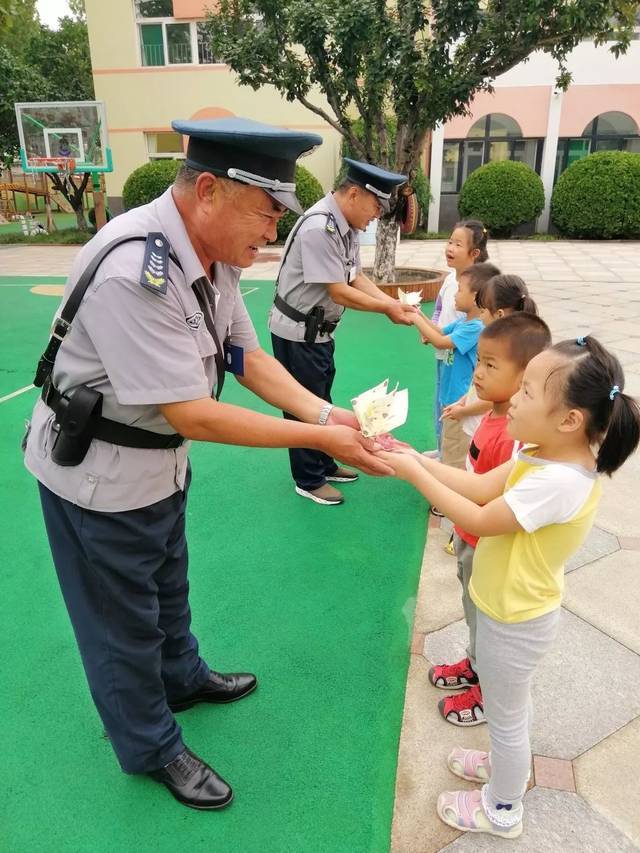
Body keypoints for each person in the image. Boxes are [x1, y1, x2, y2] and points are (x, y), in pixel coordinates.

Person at [23, 117, 394, 811]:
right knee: (121, 621)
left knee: (167, 580)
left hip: (155, 465)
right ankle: (151, 743)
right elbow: (190, 412)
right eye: (265, 214)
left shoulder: (213, 255)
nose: (272, 234)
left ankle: (182, 674)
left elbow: (245, 356)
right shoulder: (139, 271)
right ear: (208, 191)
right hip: (99, 477)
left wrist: (323, 414)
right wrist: (318, 442)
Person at [378, 335, 640, 839]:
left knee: (507, 715)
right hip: (507, 607)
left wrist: (413, 472)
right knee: (506, 709)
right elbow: (476, 485)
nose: (511, 400)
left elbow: (478, 515)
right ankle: (505, 766)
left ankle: (502, 809)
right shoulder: (540, 454)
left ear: (569, 419)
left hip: (516, 620)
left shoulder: (559, 483)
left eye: (526, 392)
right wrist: (413, 456)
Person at [269, 157, 416, 506]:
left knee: (321, 399)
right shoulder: (320, 228)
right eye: (376, 205)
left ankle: (324, 460)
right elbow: (339, 290)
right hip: (298, 332)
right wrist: (388, 309)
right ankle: (308, 478)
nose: (378, 214)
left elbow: (357, 277)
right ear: (353, 194)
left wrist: (392, 302)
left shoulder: (345, 227)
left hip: (318, 332)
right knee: (304, 406)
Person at [428, 313, 551, 730]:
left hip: (488, 548)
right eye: (478, 361)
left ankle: (487, 685)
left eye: (490, 365)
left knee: (484, 618)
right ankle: (477, 661)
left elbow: (487, 507)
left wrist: (415, 472)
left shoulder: (513, 438)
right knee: (470, 610)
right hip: (469, 538)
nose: (477, 373)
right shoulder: (494, 418)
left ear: (525, 380)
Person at [410, 262, 500, 523]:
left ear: (476, 297)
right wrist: (419, 317)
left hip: (461, 402)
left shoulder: (474, 328)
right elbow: (437, 333)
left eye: (459, 290)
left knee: (455, 452)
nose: (454, 295)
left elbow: (439, 341)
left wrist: (416, 318)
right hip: (453, 396)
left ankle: (447, 501)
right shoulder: (464, 321)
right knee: (447, 444)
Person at [426, 220, 490, 459]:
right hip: (445, 351)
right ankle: (443, 449)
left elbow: (452, 336)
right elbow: (439, 310)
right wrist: (430, 327)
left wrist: (416, 319)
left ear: (474, 254)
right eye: (450, 241)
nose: (450, 247)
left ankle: (450, 455)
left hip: (455, 350)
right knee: (441, 402)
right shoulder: (450, 280)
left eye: (457, 244)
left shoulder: (476, 289)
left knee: (454, 407)